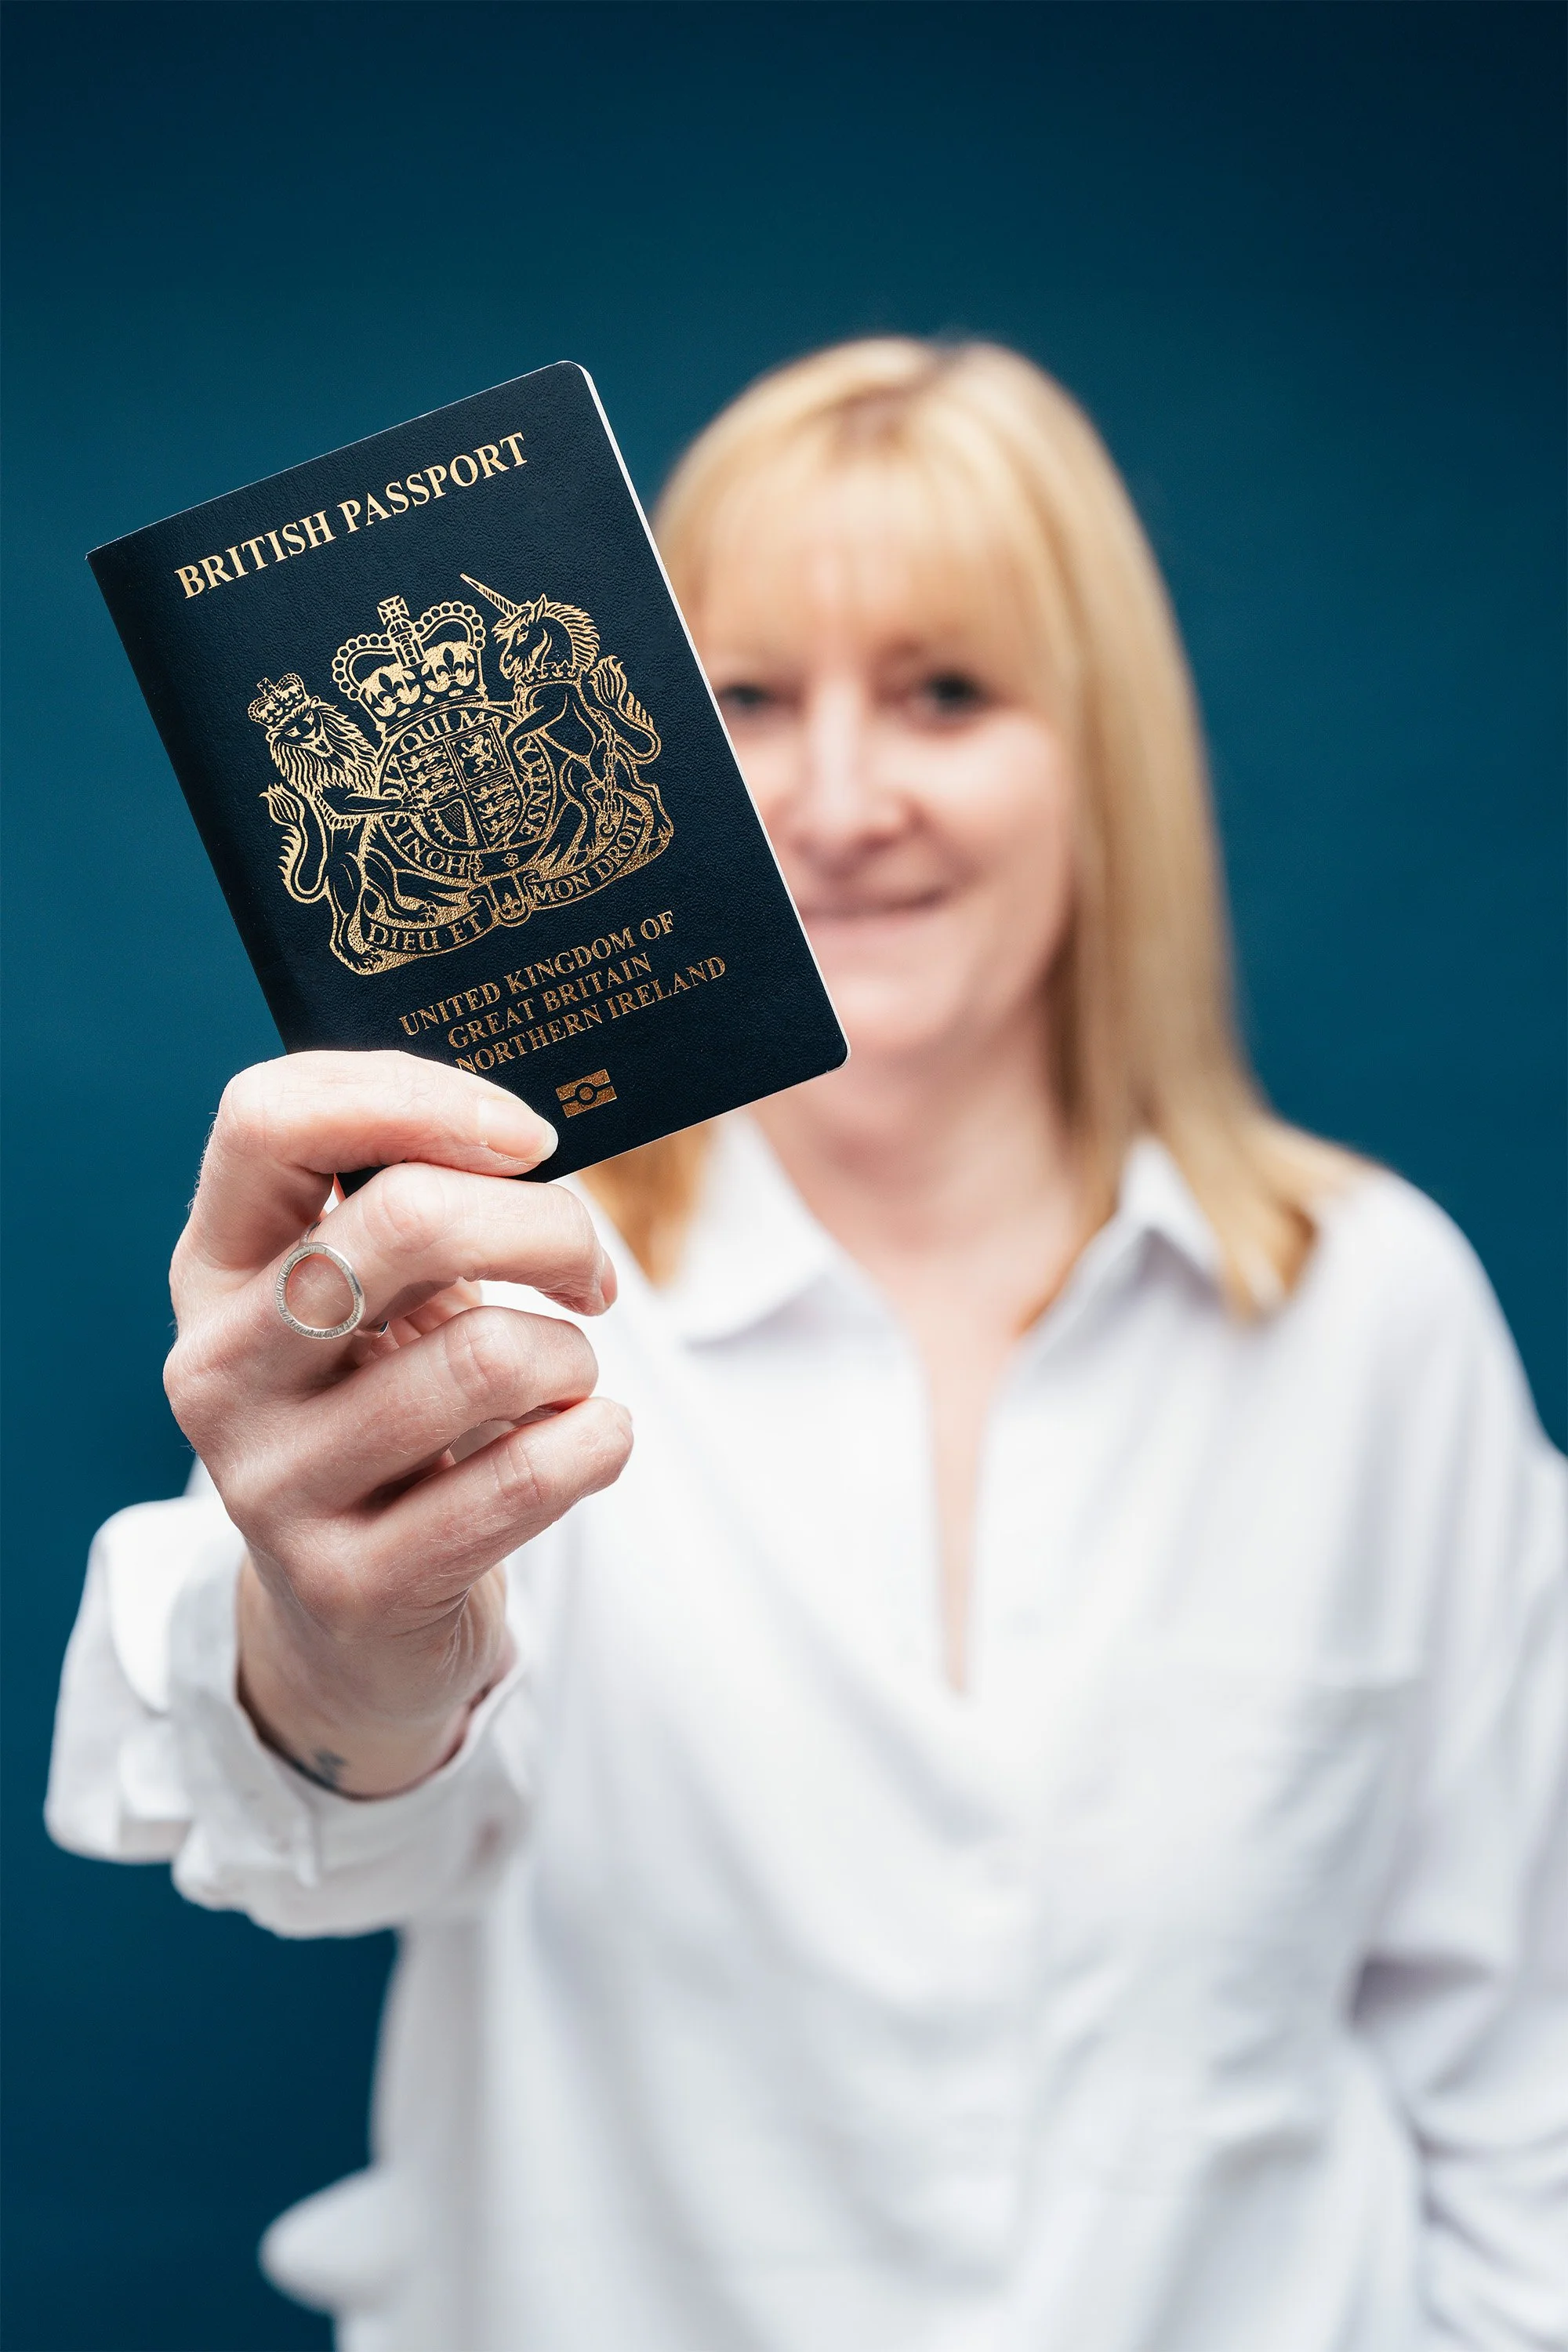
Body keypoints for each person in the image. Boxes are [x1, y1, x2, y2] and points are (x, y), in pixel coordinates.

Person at [48, 339, 1567, 2352]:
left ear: (1096, 750)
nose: (839, 800)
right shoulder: (481, 1278)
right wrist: (333, 1648)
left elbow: (1518, 2075)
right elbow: (308, 1825)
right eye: (748, 696)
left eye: (946, 690)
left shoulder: (1372, 1312)